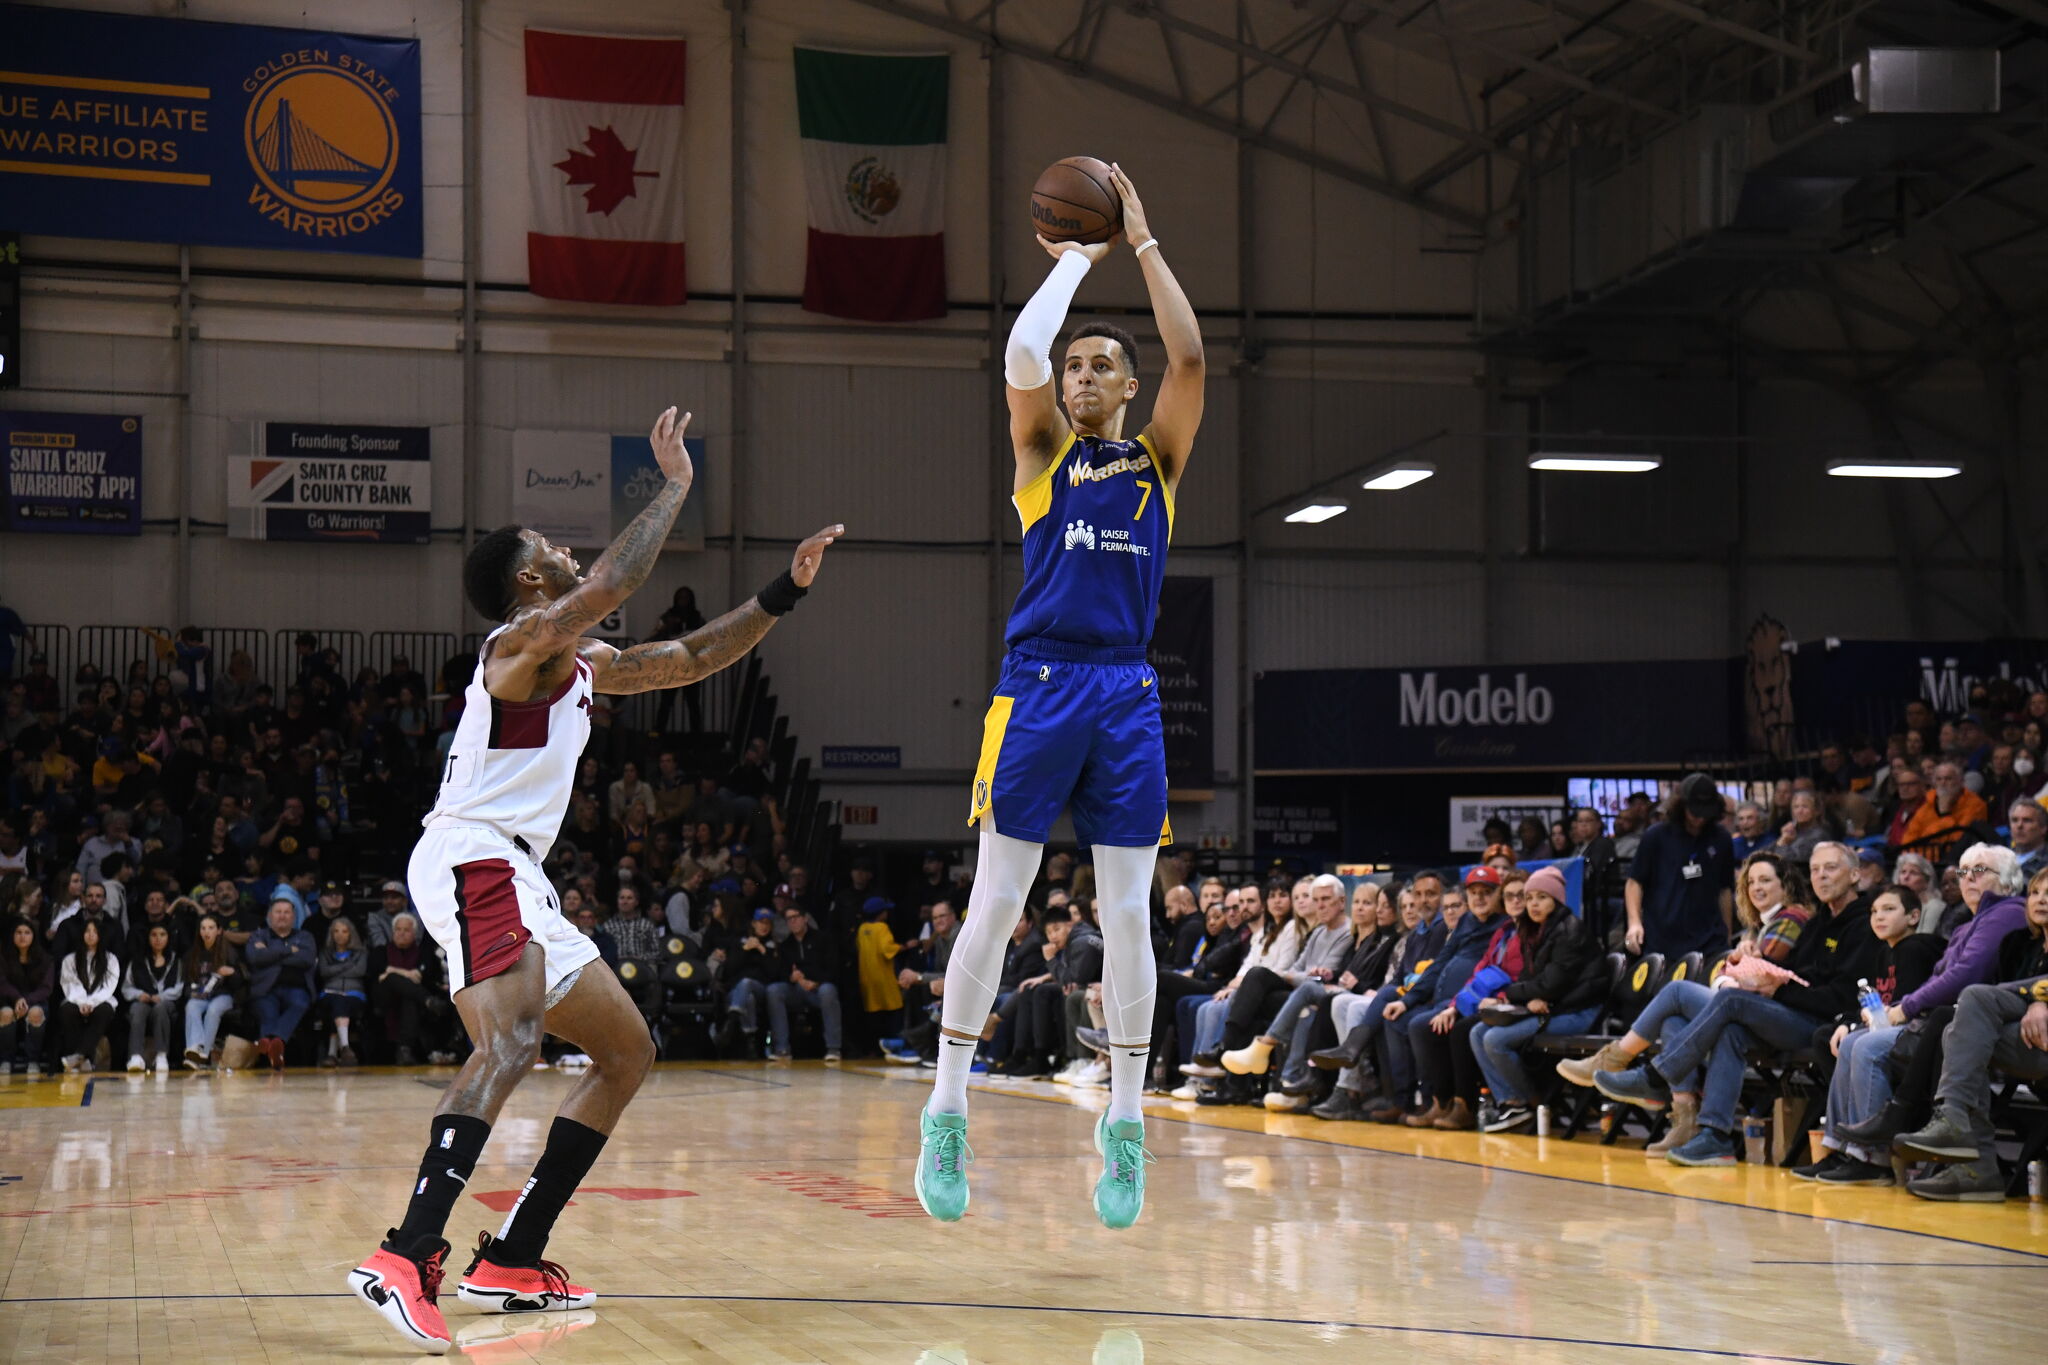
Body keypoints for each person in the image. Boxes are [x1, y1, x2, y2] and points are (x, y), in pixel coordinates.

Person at [348, 402, 841, 1354]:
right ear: (530, 578)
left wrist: (784, 591)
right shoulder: (516, 647)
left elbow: (692, 656)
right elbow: (616, 576)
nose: (570, 553)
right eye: (550, 547)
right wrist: (676, 486)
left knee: (627, 1051)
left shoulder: (580, 663)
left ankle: (513, 1256)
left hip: (516, 869)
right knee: (515, 1040)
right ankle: (407, 1255)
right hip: (471, 849)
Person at [914, 165, 1202, 1232]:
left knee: (1127, 913)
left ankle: (1124, 1123)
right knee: (995, 904)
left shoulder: (1156, 461)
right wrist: (1075, 260)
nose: (1079, 375)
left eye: (1099, 367)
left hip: (1124, 688)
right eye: (1075, 365)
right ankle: (946, 1107)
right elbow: (1019, 357)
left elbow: (1190, 356)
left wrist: (1142, 241)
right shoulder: (1039, 453)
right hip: (1035, 685)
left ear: (1124, 388)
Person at [1593, 842, 1878, 1165]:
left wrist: (1776, 990)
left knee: (1728, 1001)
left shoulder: (1863, 923)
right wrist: (1766, 973)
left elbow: (1841, 996)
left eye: (1831, 868)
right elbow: (1794, 975)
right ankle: (1715, 1136)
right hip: (1791, 1012)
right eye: (1815, 869)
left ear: (1855, 875)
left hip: (1825, 1025)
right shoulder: (1819, 922)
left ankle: (1657, 1077)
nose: (1821, 876)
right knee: (1729, 1029)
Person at [1789, 883, 1946, 1184]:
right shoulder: (1883, 953)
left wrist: (1858, 1027)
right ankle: (1841, 1146)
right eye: (1874, 911)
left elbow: (1904, 1006)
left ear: (1914, 916)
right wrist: (1848, 1022)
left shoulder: (1915, 949)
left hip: (1918, 1031)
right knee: (1837, 1038)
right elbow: (1871, 1002)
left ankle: (1872, 1156)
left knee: (1860, 1044)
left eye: (1889, 909)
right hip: (1888, 1026)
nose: (1878, 917)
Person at [1469, 866, 1607, 1132]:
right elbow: (1529, 978)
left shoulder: (1569, 930)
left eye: (1541, 897)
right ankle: (1511, 1104)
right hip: (1553, 1007)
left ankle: (1533, 1103)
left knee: (1495, 1039)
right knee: (1477, 1032)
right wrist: (1527, 999)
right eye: (1529, 897)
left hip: (1578, 1012)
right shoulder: (1537, 930)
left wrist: (1514, 994)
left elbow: (1551, 985)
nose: (1532, 903)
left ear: (1556, 900)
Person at [245, 898, 316, 1069]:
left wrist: (270, 953)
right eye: (278, 912)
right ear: (270, 915)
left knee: (299, 1003)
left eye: (287, 912)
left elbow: (306, 959)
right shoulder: (258, 935)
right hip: (265, 989)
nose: (282, 916)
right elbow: (255, 958)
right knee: (268, 1013)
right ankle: (276, 1047)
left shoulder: (305, 936)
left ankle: (271, 1042)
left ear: (294, 917)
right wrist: (288, 950)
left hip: (296, 989)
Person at [767, 903, 841, 1061]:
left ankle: (833, 1048)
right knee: (774, 990)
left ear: (805, 918)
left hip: (818, 989)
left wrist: (814, 982)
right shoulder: (786, 945)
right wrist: (792, 977)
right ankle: (782, 1049)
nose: (792, 922)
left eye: (795, 917)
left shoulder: (823, 939)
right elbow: (781, 972)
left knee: (828, 990)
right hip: (796, 990)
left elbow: (832, 968)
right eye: (788, 919)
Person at [57, 917, 120, 1072]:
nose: (91, 935)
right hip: (76, 999)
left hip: (101, 1000)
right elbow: (69, 983)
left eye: (95, 931)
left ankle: (79, 1055)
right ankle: (83, 1059)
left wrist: (92, 1002)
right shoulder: (70, 959)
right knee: (68, 1010)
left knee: (104, 1011)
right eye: (87, 931)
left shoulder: (110, 959)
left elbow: (108, 986)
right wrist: (81, 1002)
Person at [121, 921, 183, 1073]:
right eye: (154, 935)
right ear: (148, 938)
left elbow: (179, 987)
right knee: (137, 1009)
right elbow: (126, 987)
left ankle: (161, 1055)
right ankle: (135, 1056)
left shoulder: (176, 960)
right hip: (143, 1000)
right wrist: (139, 994)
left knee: (161, 1008)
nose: (158, 939)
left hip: (166, 1002)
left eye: (162, 935)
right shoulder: (137, 960)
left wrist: (161, 996)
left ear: (168, 937)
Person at [182, 913, 241, 1069]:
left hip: (223, 995)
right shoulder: (192, 954)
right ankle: (195, 1049)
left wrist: (232, 974)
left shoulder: (229, 952)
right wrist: (193, 993)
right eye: (203, 928)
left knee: (213, 1010)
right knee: (191, 1006)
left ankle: (203, 1055)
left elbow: (239, 983)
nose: (206, 932)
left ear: (219, 931)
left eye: (211, 928)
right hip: (200, 995)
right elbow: (187, 983)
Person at [1899, 761, 1988, 861]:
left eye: (1948, 778)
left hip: (1958, 862)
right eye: (1939, 779)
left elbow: (1957, 842)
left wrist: (1945, 814)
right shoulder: (1927, 804)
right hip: (1924, 862)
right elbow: (1908, 842)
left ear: (1960, 781)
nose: (1943, 783)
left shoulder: (1975, 805)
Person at [1, 918, 54, 1076]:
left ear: (33, 936)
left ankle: (33, 1060)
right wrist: (17, 998)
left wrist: (26, 1001)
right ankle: (5, 1060)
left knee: (36, 1013)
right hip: (8, 1000)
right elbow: (1, 983)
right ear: (12, 935)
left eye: (27, 932)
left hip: (36, 1001)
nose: (22, 936)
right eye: (18, 932)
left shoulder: (45, 959)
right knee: (5, 1014)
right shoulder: (3, 956)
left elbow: (46, 988)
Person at [317, 917, 370, 1067]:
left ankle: (333, 1054)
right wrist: (347, 966)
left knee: (341, 1003)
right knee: (337, 1001)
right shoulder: (325, 953)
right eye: (336, 931)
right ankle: (345, 1047)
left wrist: (336, 969)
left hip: (354, 994)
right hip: (330, 993)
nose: (340, 935)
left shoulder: (361, 953)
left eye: (344, 931)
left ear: (350, 934)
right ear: (331, 934)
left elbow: (359, 971)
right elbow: (324, 972)